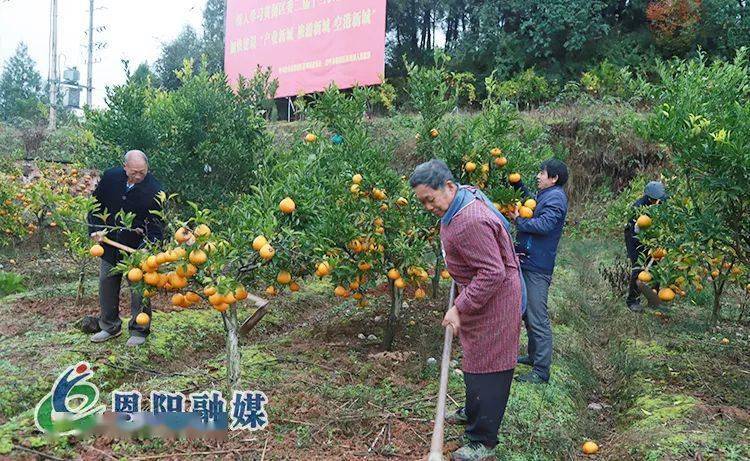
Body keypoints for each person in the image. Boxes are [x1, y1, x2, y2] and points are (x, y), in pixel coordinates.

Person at [411, 159, 522, 461]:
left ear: (448, 187)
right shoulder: (457, 203)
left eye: (430, 200)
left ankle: (482, 439)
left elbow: (491, 273)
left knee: (490, 366)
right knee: (475, 359)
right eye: (423, 202)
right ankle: (473, 410)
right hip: (481, 294)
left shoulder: (469, 220)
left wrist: (459, 307)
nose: (427, 207)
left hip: (495, 301)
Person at [87, 150, 164, 346]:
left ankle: (139, 331)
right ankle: (109, 326)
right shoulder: (111, 177)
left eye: (142, 173)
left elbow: (157, 225)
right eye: (134, 172)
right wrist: (95, 230)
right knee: (107, 282)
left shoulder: (154, 190)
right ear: (125, 167)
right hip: (110, 244)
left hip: (136, 249)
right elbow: (95, 205)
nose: (138, 176)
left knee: (139, 289)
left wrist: (149, 247)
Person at [508, 159, 569, 384]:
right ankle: (534, 356)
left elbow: (544, 225)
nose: (538, 176)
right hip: (529, 259)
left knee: (537, 315)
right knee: (528, 312)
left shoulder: (556, 198)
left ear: (553, 178)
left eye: (542, 173)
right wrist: (517, 185)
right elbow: (531, 204)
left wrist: (519, 222)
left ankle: (541, 371)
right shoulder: (547, 195)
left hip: (537, 265)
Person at [624, 181, 667, 312]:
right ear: (648, 197)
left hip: (654, 238)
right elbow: (635, 231)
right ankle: (632, 301)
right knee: (638, 267)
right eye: (654, 200)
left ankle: (654, 299)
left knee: (656, 268)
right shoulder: (637, 208)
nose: (656, 202)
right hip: (635, 238)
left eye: (658, 199)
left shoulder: (663, 201)